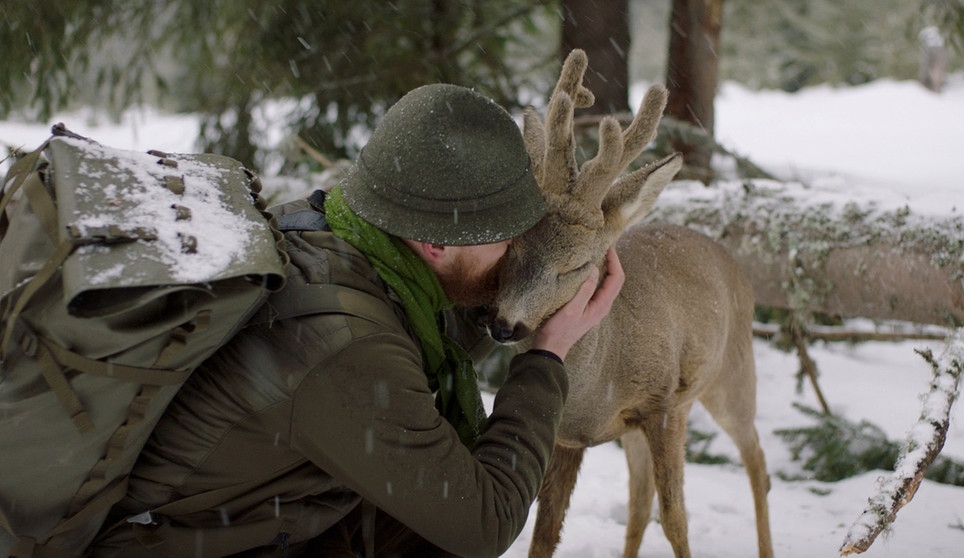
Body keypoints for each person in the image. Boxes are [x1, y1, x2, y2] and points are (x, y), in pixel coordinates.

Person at [91, 83, 624, 557]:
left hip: (259, 515)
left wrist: (526, 304)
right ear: (437, 241)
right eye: (507, 237)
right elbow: (483, 523)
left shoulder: (332, 228)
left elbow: (431, 327)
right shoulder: (344, 347)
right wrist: (546, 358)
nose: (517, 254)